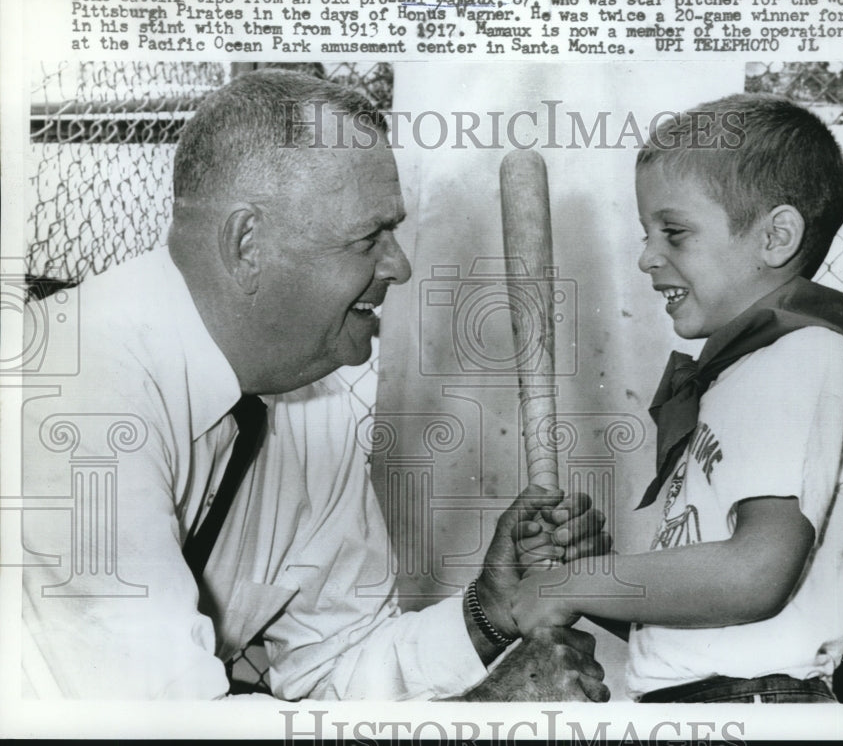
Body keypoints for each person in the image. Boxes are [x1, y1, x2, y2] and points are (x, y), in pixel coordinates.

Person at [19, 69, 611, 701]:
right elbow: (162, 722)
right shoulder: (70, 390)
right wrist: (486, 713)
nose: (400, 265)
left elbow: (339, 664)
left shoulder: (304, 390)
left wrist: (491, 614)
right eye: (369, 238)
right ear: (248, 242)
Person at [510, 94, 843, 703]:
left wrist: (575, 582)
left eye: (674, 232)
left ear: (776, 237)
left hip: (752, 703)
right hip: (717, 695)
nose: (646, 256)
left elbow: (753, 576)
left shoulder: (799, 358)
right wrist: (589, 569)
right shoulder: (744, 372)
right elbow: (700, 618)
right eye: (645, 233)